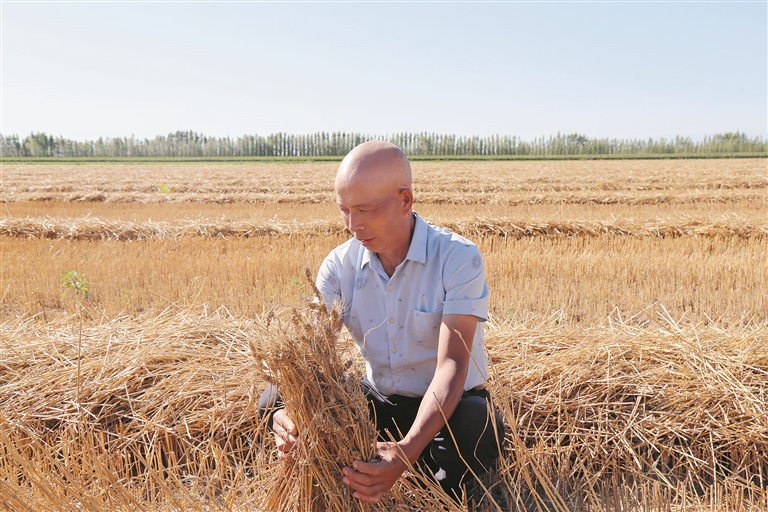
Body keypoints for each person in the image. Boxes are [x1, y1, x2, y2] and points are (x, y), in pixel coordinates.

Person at [259, 140, 504, 503]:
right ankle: (362, 473)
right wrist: (289, 414)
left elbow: (452, 363)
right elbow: (309, 356)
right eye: (344, 210)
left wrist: (406, 450)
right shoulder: (339, 265)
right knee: (272, 398)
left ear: (405, 201)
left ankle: (424, 481)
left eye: (365, 209)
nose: (353, 225)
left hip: (449, 407)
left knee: (477, 422)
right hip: (378, 401)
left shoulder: (457, 257)